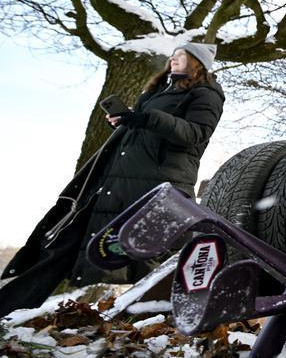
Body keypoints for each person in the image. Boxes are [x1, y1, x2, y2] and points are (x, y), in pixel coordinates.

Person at [0, 43, 225, 316]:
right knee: (67, 242)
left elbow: (195, 134)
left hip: (159, 184)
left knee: (149, 256)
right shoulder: (157, 91)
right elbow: (145, 130)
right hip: (116, 180)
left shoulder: (206, 94)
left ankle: (167, 321)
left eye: (180, 56)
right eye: (173, 55)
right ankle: (9, 309)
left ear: (197, 63)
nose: (173, 59)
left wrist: (146, 119)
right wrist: (127, 121)